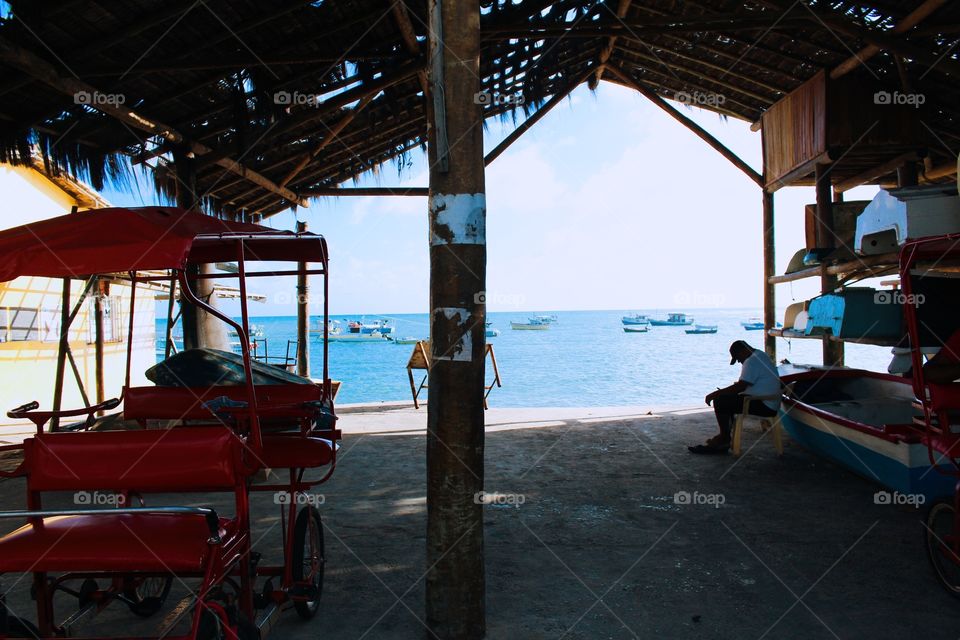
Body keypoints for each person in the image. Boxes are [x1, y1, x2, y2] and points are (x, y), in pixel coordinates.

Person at [688, 340, 781, 454]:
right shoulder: (760, 355)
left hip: (765, 405)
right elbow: (746, 385)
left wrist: (715, 394)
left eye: (738, 358)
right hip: (770, 402)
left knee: (720, 401)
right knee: (727, 399)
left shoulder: (751, 361)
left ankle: (724, 438)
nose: (739, 362)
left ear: (743, 351)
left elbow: (741, 386)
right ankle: (724, 436)